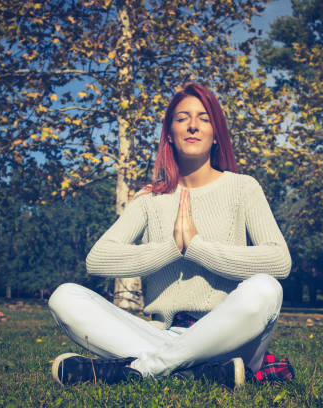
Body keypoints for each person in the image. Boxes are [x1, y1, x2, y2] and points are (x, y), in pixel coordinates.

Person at [48, 82, 292, 389]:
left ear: (216, 134)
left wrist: (197, 248)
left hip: (232, 337)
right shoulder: (149, 198)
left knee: (266, 288)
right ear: (169, 135)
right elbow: (98, 260)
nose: (193, 125)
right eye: (182, 118)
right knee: (64, 296)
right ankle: (195, 373)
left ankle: (140, 369)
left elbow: (279, 261)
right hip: (162, 334)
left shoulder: (243, 188)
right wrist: (172, 247)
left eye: (204, 118)